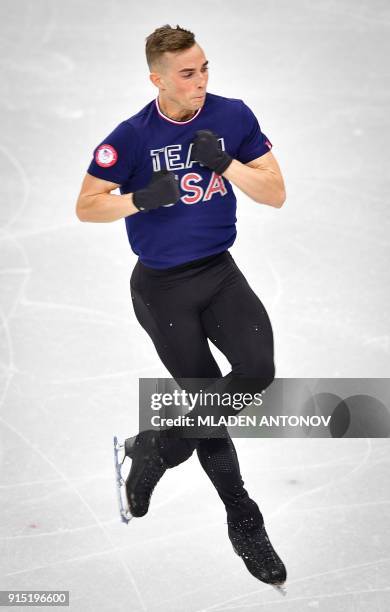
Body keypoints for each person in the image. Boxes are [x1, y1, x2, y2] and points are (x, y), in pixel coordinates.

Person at [76, 24, 287, 591]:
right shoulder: (132, 135)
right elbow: (86, 206)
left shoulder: (233, 115)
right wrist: (140, 198)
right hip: (162, 289)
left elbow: (275, 192)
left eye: (204, 69)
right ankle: (244, 519)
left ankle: (156, 447)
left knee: (257, 373)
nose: (200, 82)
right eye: (187, 74)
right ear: (158, 79)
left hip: (220, 275)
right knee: (206, 402)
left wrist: (226, 166)